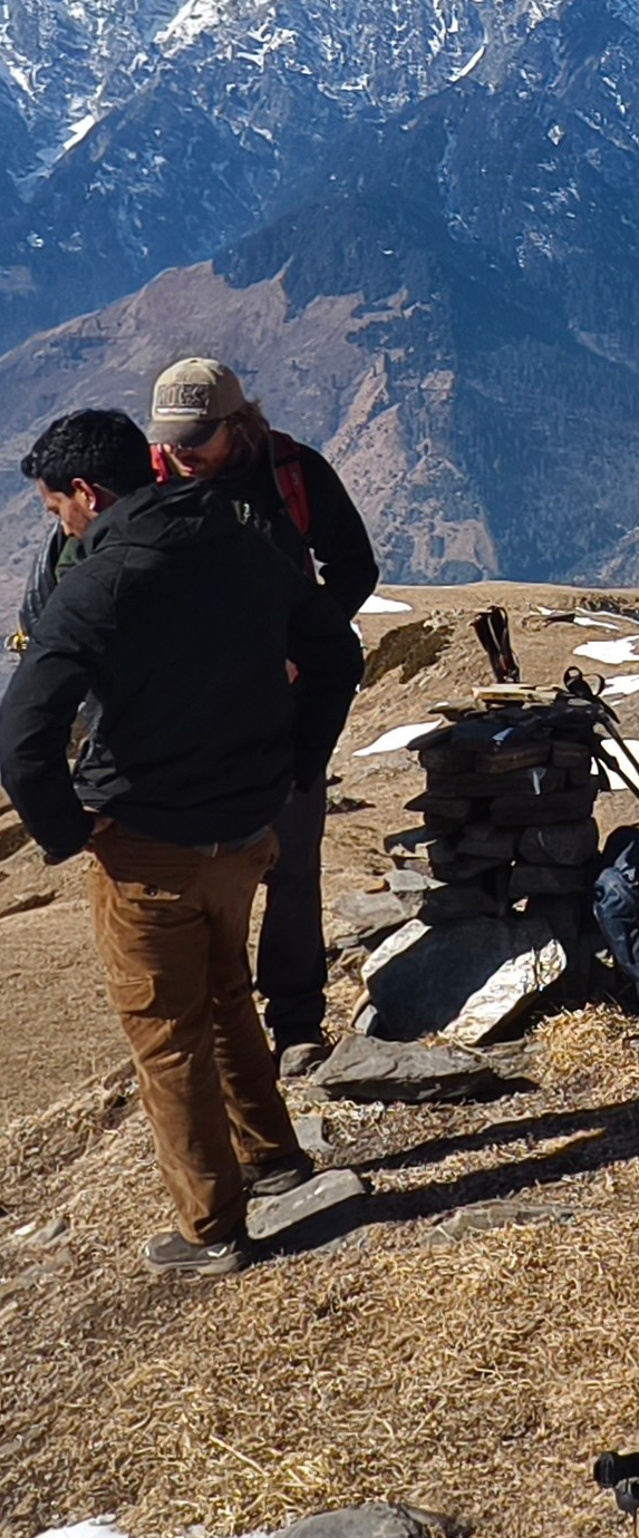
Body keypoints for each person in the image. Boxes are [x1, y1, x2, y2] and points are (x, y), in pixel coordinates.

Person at [0, 410, 363, 1275]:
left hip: (148, 844)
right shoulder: (245, 541)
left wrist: (71, 829)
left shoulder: (98, 582)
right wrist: (294, 766)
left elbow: (20, 737)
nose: (62, 526)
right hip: (245, 829)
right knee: (228, 994)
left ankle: (211, 1231)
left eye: (58, 511)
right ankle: (274, 1158)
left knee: (168, 1032)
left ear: (88, 493)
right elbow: (337, 657)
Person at [146, 357, 379, 1075]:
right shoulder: (142, 479)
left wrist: (301, 648)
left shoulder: (292, 473)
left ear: (239, 422)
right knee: (191, 874)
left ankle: (296, 1023)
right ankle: (215, 1027)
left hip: (287, 707)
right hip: (183, 718)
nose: (184, 450)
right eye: (174, 436)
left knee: (290, 859)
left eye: (200, 435)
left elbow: (354, 566)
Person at [16, 407, 151, 646]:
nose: (66, 529)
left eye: (58, 510)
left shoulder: (91, 588)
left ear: (85, 493)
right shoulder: (215, 539)